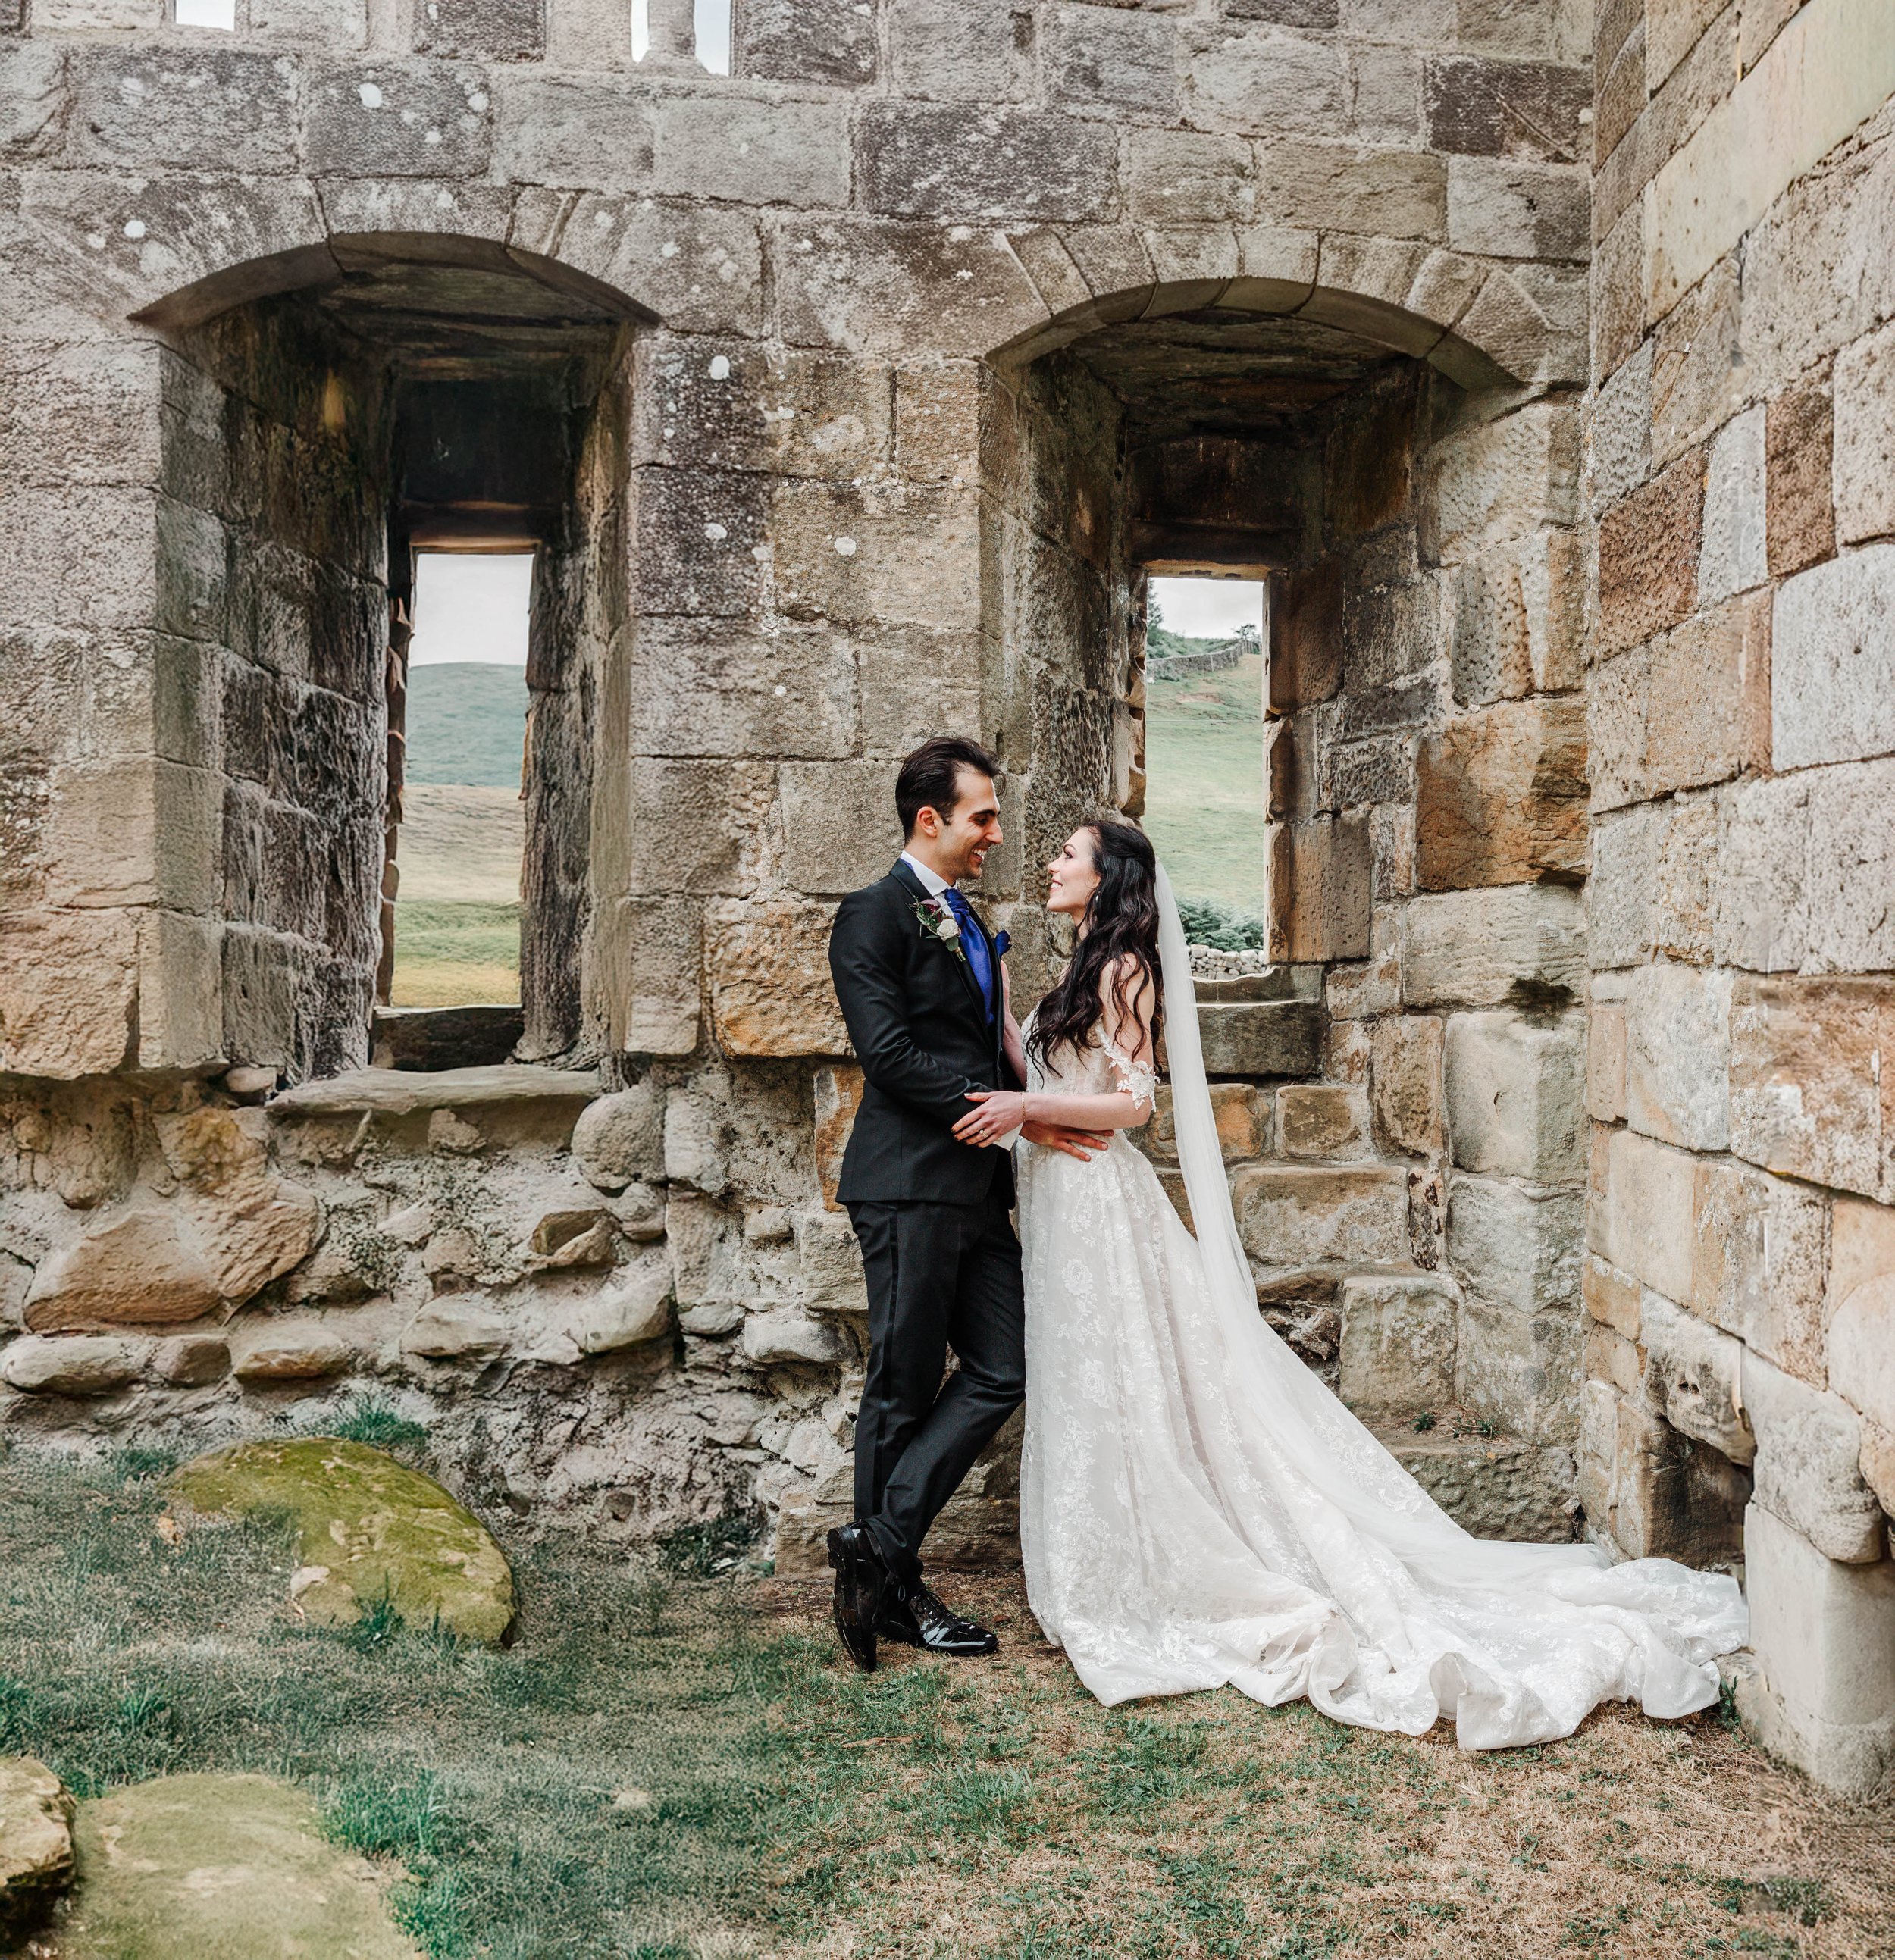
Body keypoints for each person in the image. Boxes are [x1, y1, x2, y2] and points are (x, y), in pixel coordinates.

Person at [949, 818, 1749, 1749]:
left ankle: (1161, 1564)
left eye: (1067, 855)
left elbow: (1133, 1102)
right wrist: (1002, 1009)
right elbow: (1042, 1072)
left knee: (1124, 1374)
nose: (1050, 863)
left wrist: (1028, 1105)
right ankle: (1101, 1558)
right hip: (1060, 1195)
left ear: (1108, 874)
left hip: (1098, 1199)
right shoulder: (1085, 959)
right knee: (1090, 1378)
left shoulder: (1126, 965)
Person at [823, 737, 1107, 1674]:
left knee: (1003, 1365)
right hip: (907, 1182)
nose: (995, 833)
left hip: (979, 1188)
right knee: (900, 1386)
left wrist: (1030, 1120)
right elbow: (889, 1055)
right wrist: (1008, 1117)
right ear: (929, 819)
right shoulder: (872, 915)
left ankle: (876, 1546)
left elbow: (991, 1050)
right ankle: (891, 1596)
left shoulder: (971, 921)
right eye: (982, 816)